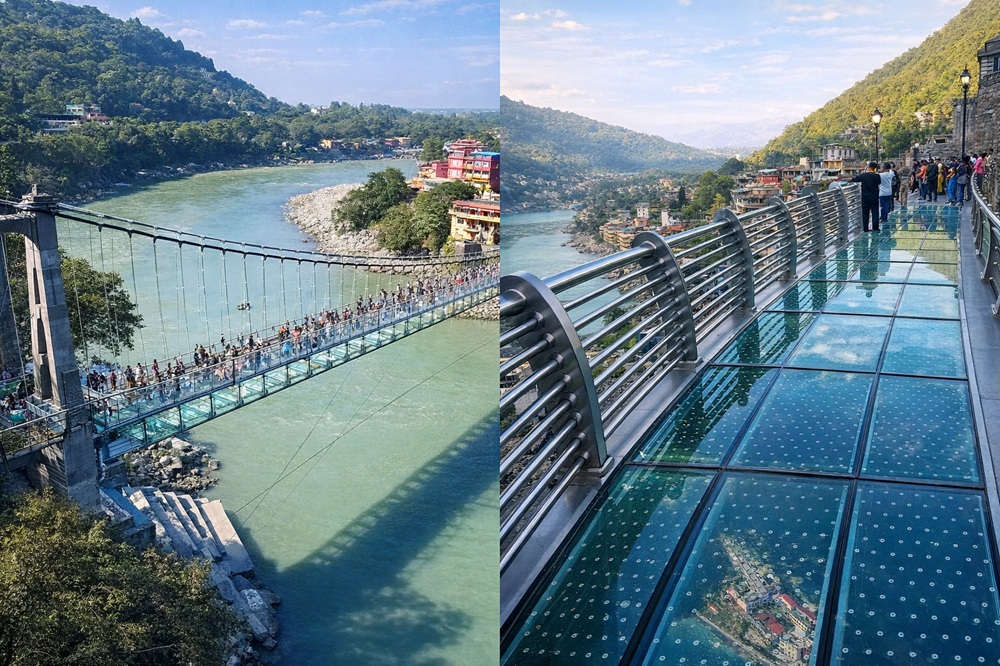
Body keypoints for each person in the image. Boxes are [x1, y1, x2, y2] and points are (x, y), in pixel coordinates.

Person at [846, 161, 883, 232]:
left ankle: (865, 228)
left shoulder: (864, 175)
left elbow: (855, 179)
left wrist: (847, 180)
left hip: (865, 197)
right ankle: (875, 227)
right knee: (875, 212)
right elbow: (879, 183)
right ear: (875, 169)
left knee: (865, 213)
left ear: (869, 168)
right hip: (874, 197)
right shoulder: (877, 176)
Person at [878, 162, 894, 227]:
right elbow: (891, 170)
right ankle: (885, 216)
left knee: (883, 205)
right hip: (889, 192)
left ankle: (883, 217)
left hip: (882, 193)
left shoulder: (881, 175)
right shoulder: (891, 174)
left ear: (884, 168)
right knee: (887, 204)